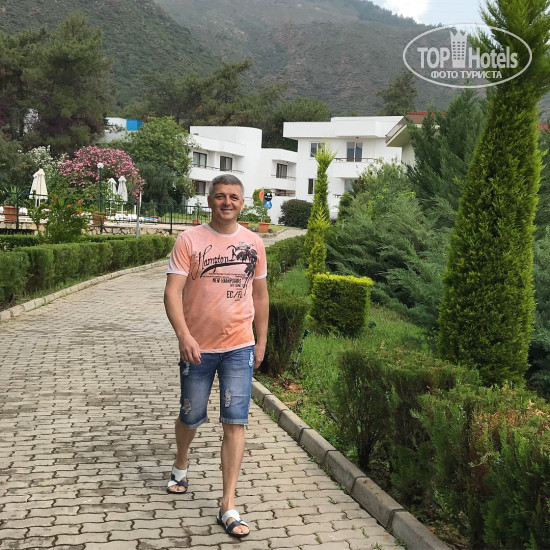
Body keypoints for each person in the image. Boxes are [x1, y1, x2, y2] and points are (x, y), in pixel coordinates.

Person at [163, 174, 269, 539]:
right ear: (210, 201)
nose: (227, 202)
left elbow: (261, 296)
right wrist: (184, 336)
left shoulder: (254, 242)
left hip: (239, 346)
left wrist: (261, 340)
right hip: (198, 348)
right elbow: (172, 293)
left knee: (235, 422)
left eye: (234, 197)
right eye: (221, 196)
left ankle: (228, 504)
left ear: (242, 203)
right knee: (191, 416)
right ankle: (180, 463)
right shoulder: (189, 240)